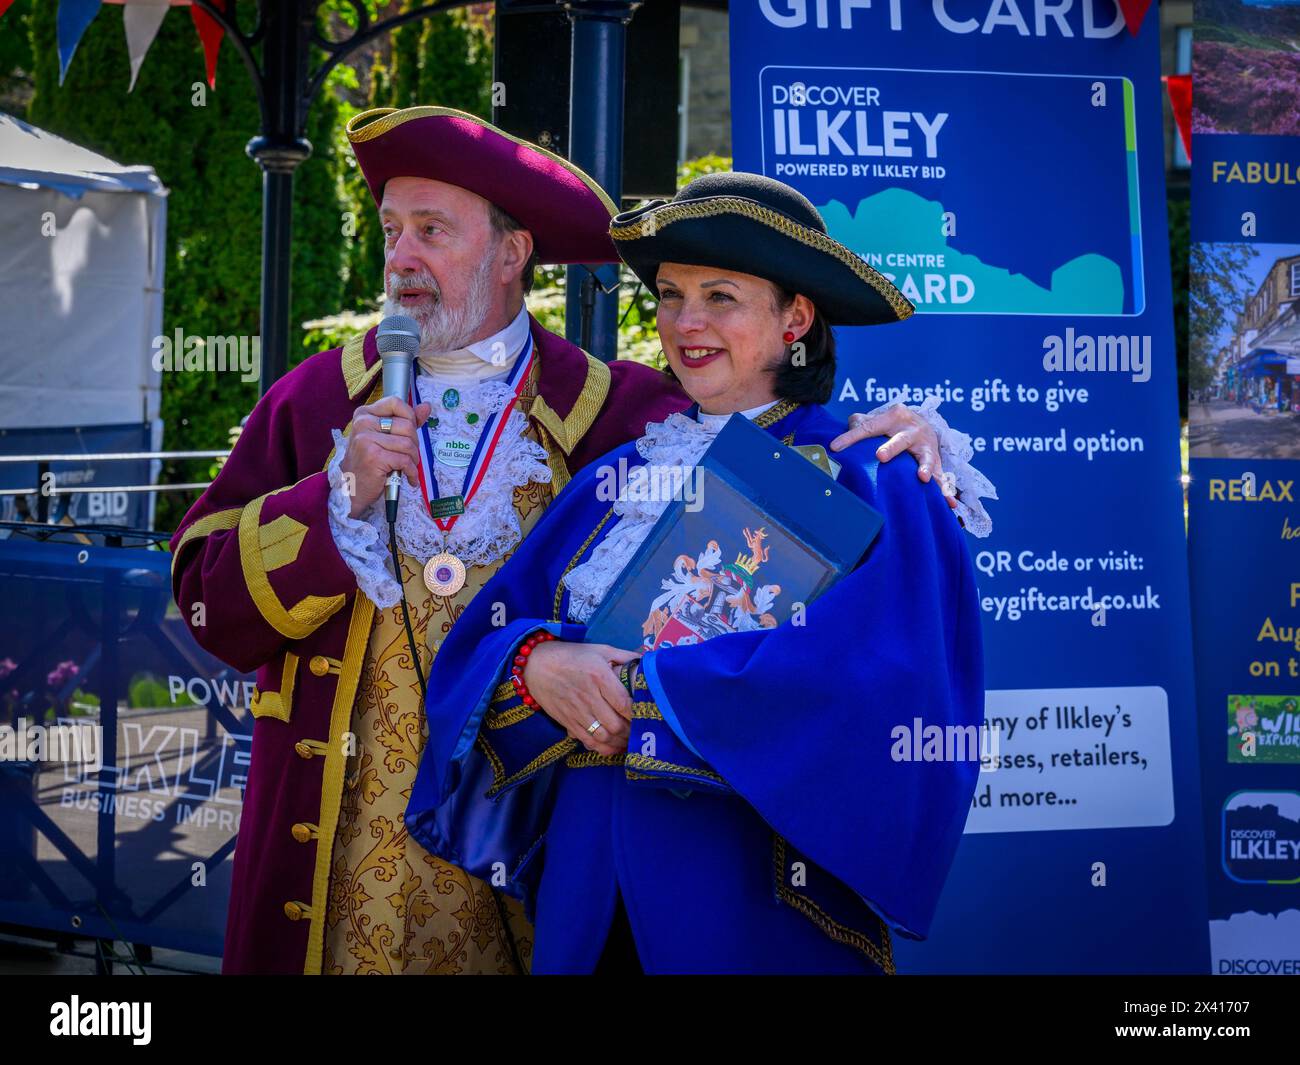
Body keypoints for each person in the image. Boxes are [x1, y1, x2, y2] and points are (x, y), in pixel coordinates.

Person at [170, 107, 985, 975]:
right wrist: (523, 656)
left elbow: (888, 675)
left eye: (433, 231)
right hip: (449, 869)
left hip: (709, 884)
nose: (401, 257)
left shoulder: (636, 416)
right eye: (670, 295)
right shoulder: (337, 404)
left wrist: (903, 438)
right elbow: (216, 600)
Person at [406, 172, 986, 974]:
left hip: (751, 886)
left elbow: (887, 680)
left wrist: (645, 692)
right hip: (588, 886)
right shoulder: (617, 474)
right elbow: (486, 642)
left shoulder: (871, 474)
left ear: (796, 318)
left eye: (721, 296)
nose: (686, 323)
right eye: (672, 296)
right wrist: (539, 665)